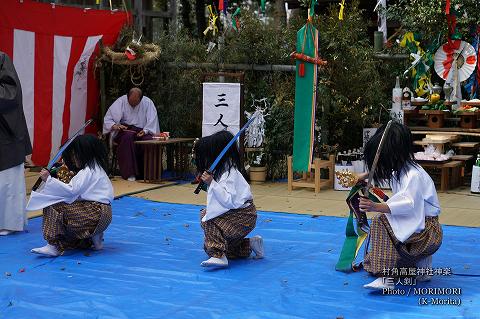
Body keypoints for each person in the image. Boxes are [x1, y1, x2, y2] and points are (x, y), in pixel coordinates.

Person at [358, 122, 443, 290]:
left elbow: (407, 204)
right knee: (371, 259)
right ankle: (420, 265)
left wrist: (375, 206)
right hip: (422, 229)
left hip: (426, 233)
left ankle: (385, 278)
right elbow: (388, 173)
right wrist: (366, 175)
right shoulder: (404, 169)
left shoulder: (412, 175)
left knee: (381, 221)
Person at [27, 134, 113, 257]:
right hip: (105, 215)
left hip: (93, 214)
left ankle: (53, 246)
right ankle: (95, 238)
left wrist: (48, 180)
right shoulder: (97, 168)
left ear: (84, 154)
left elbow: (71, 191)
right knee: (68, 209)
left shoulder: (87, 171)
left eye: (75, 155)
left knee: (52, 205)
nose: (74, 159)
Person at [194, 130, 264, 268]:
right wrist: (210, 184)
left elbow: (229, 201)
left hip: (243, 215)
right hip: (240, 214)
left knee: (208, 219)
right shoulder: (223, 170)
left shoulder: (230, 174)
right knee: (210, 246)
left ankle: (219, 256)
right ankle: (250, 244)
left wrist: (211, 183)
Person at [0, 51, 32, 236]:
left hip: (6, 134)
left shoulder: (2, 59)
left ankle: (8, 223)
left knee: (7, 182)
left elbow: (10, 94)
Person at [103, 87, 160, 181]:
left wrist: (145, 131)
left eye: (136, 102)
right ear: (127, 96)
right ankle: (130, 173)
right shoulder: (120, 101)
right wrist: (116, 126)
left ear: (141, 99)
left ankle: (149, 174)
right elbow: (108, 119)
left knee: (149, 140)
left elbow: (152, 121)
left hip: (142, 131)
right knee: (127, 138)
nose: (133, 104)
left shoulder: (147, 103)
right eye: (131, 101)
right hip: (125, 131)